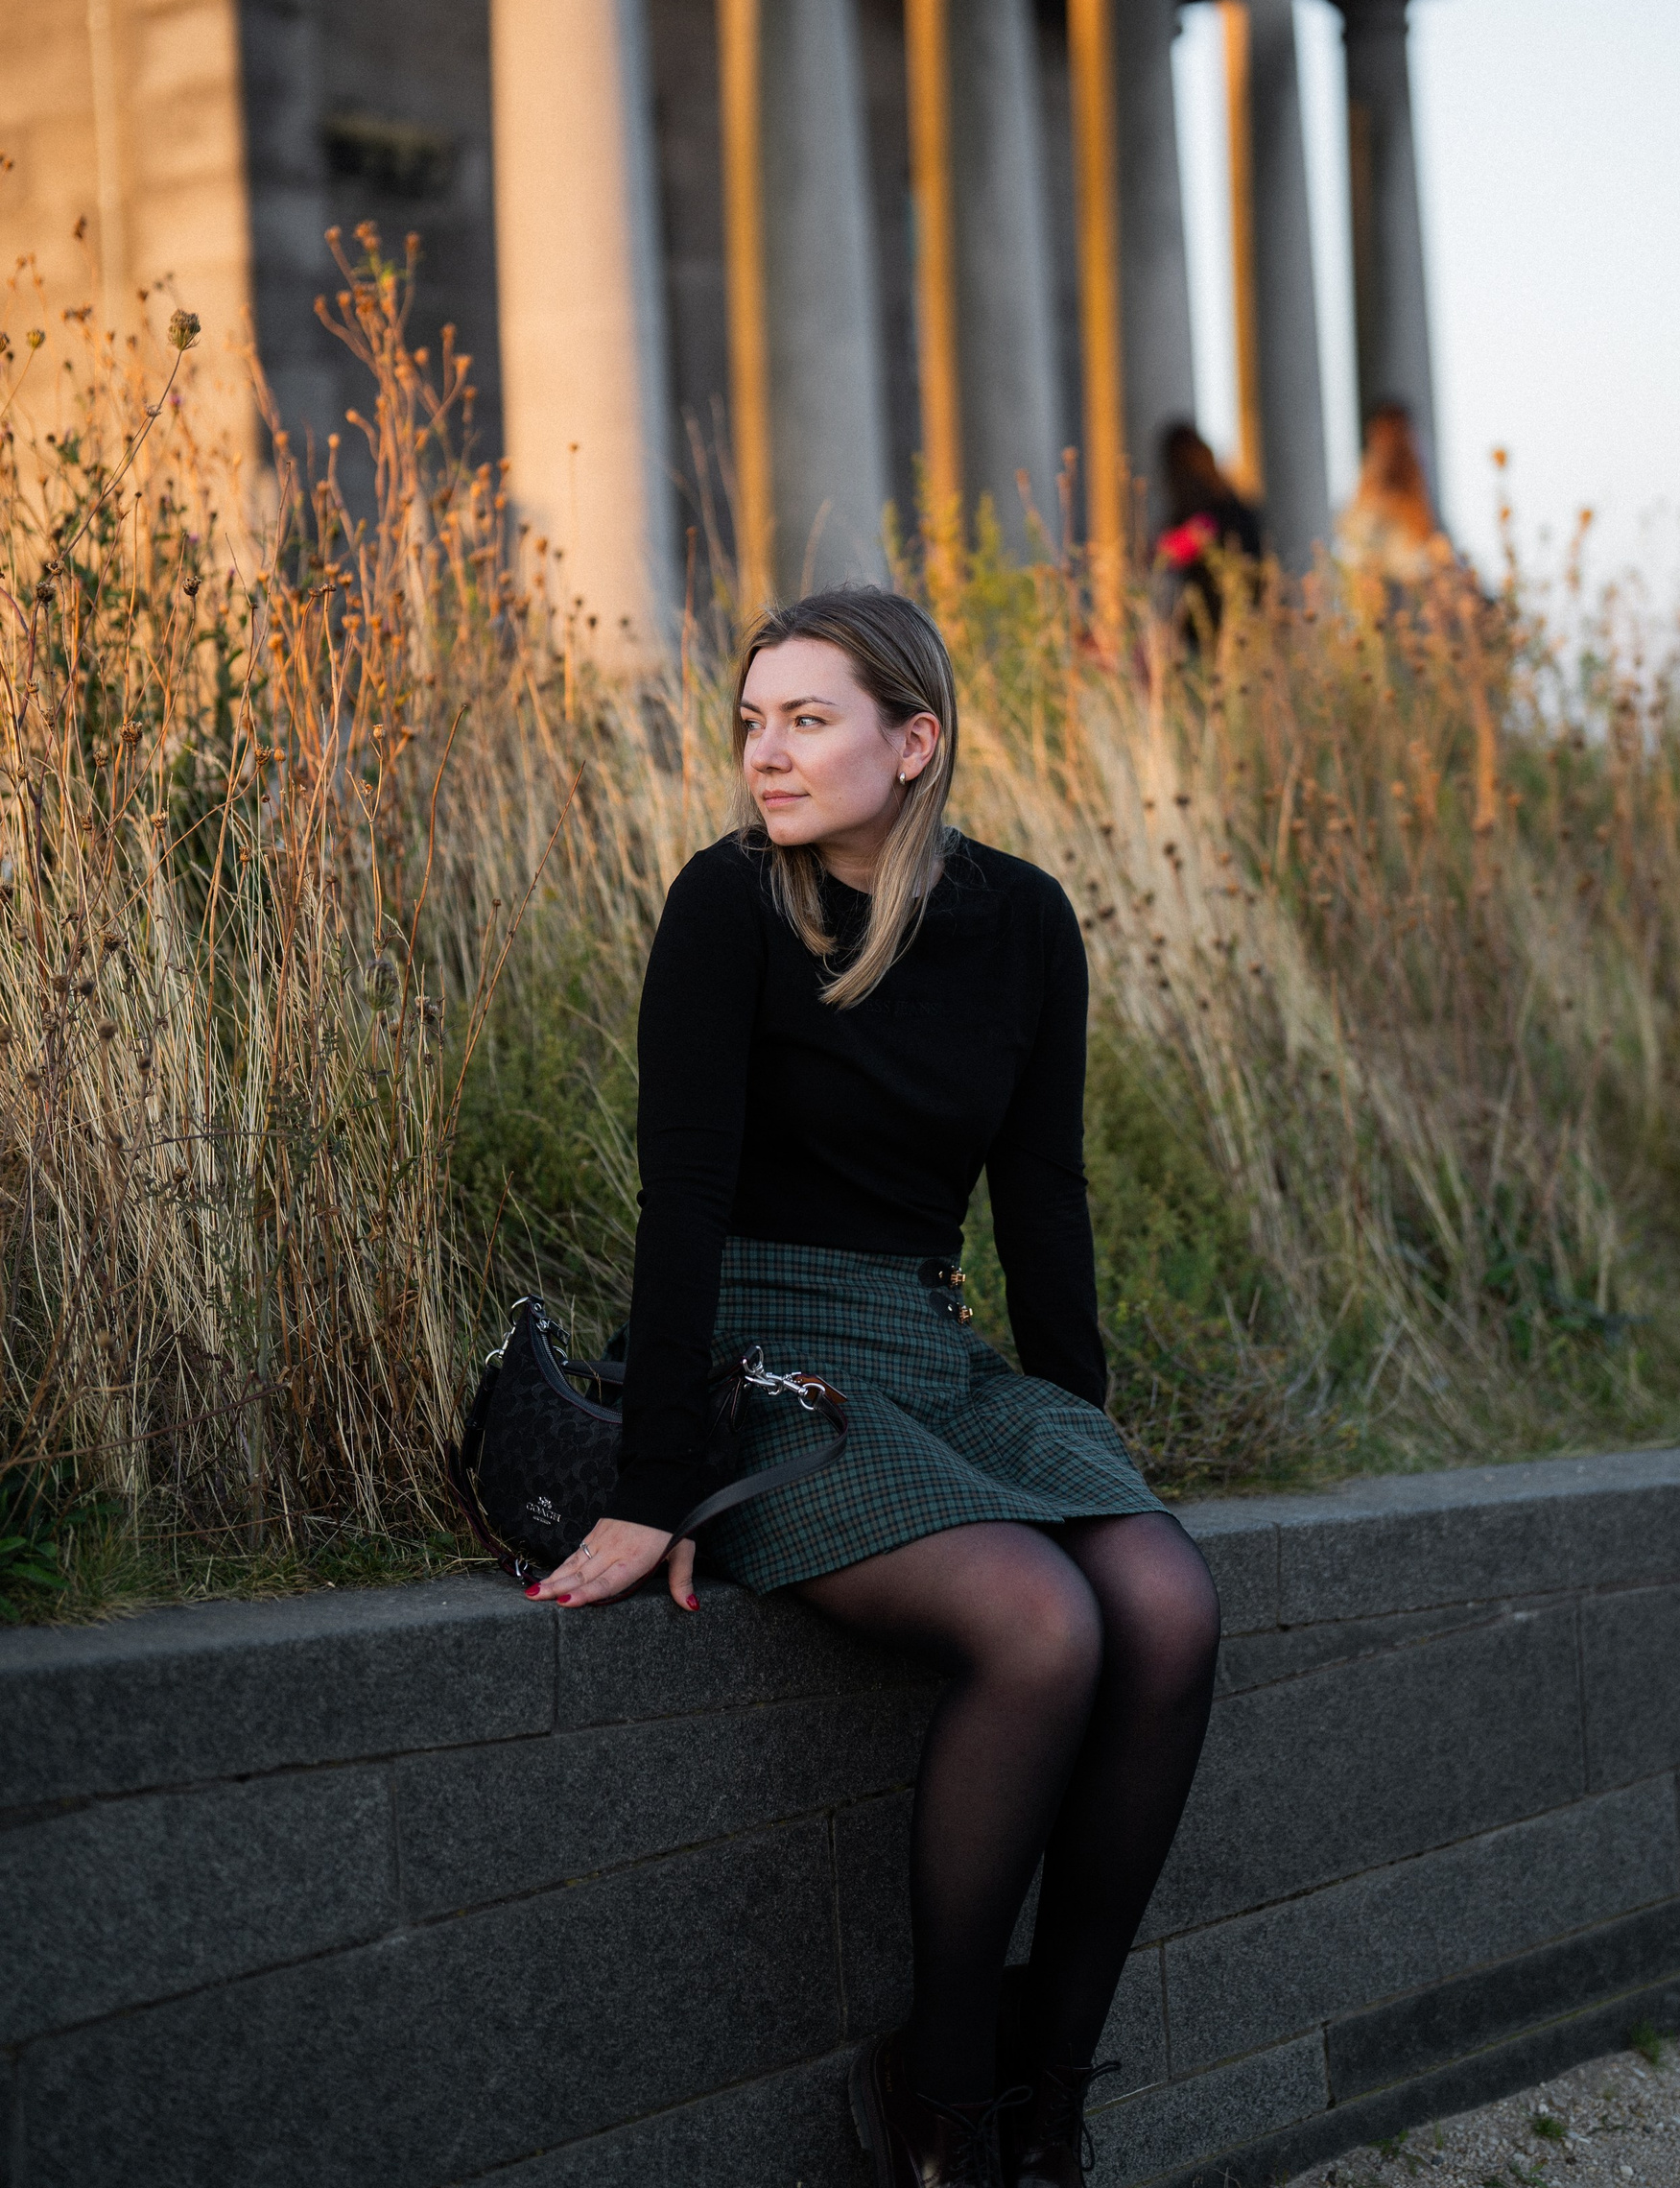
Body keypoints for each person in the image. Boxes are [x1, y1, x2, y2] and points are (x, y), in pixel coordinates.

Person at [529, 587, 1221, 2188]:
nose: (765, 754)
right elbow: (683, 1201)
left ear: (914, 743)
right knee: (1042, 1626)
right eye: (753, 722)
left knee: (1166, 1601)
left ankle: (1052, 2105)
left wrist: (1080, 1428)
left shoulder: (1024, 921)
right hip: (765, 1358)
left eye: (807, 720)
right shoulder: (727, 906)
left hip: (930, 1348)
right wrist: (656, 1484)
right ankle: (945, 2105)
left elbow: (1041, 1197)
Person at [1154, 420, 1262, 634]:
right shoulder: (1234, 503)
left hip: (1216, 626)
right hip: (1243, 619)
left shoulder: (1207, 513)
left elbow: (1166, 554)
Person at [1336, 399, 1455, 589]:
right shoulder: (1366, 488)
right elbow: (1353, 546)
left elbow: (1426, 544)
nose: (1392, 446)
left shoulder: (1417, 488)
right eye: (1385, 437)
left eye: (1398, 436)